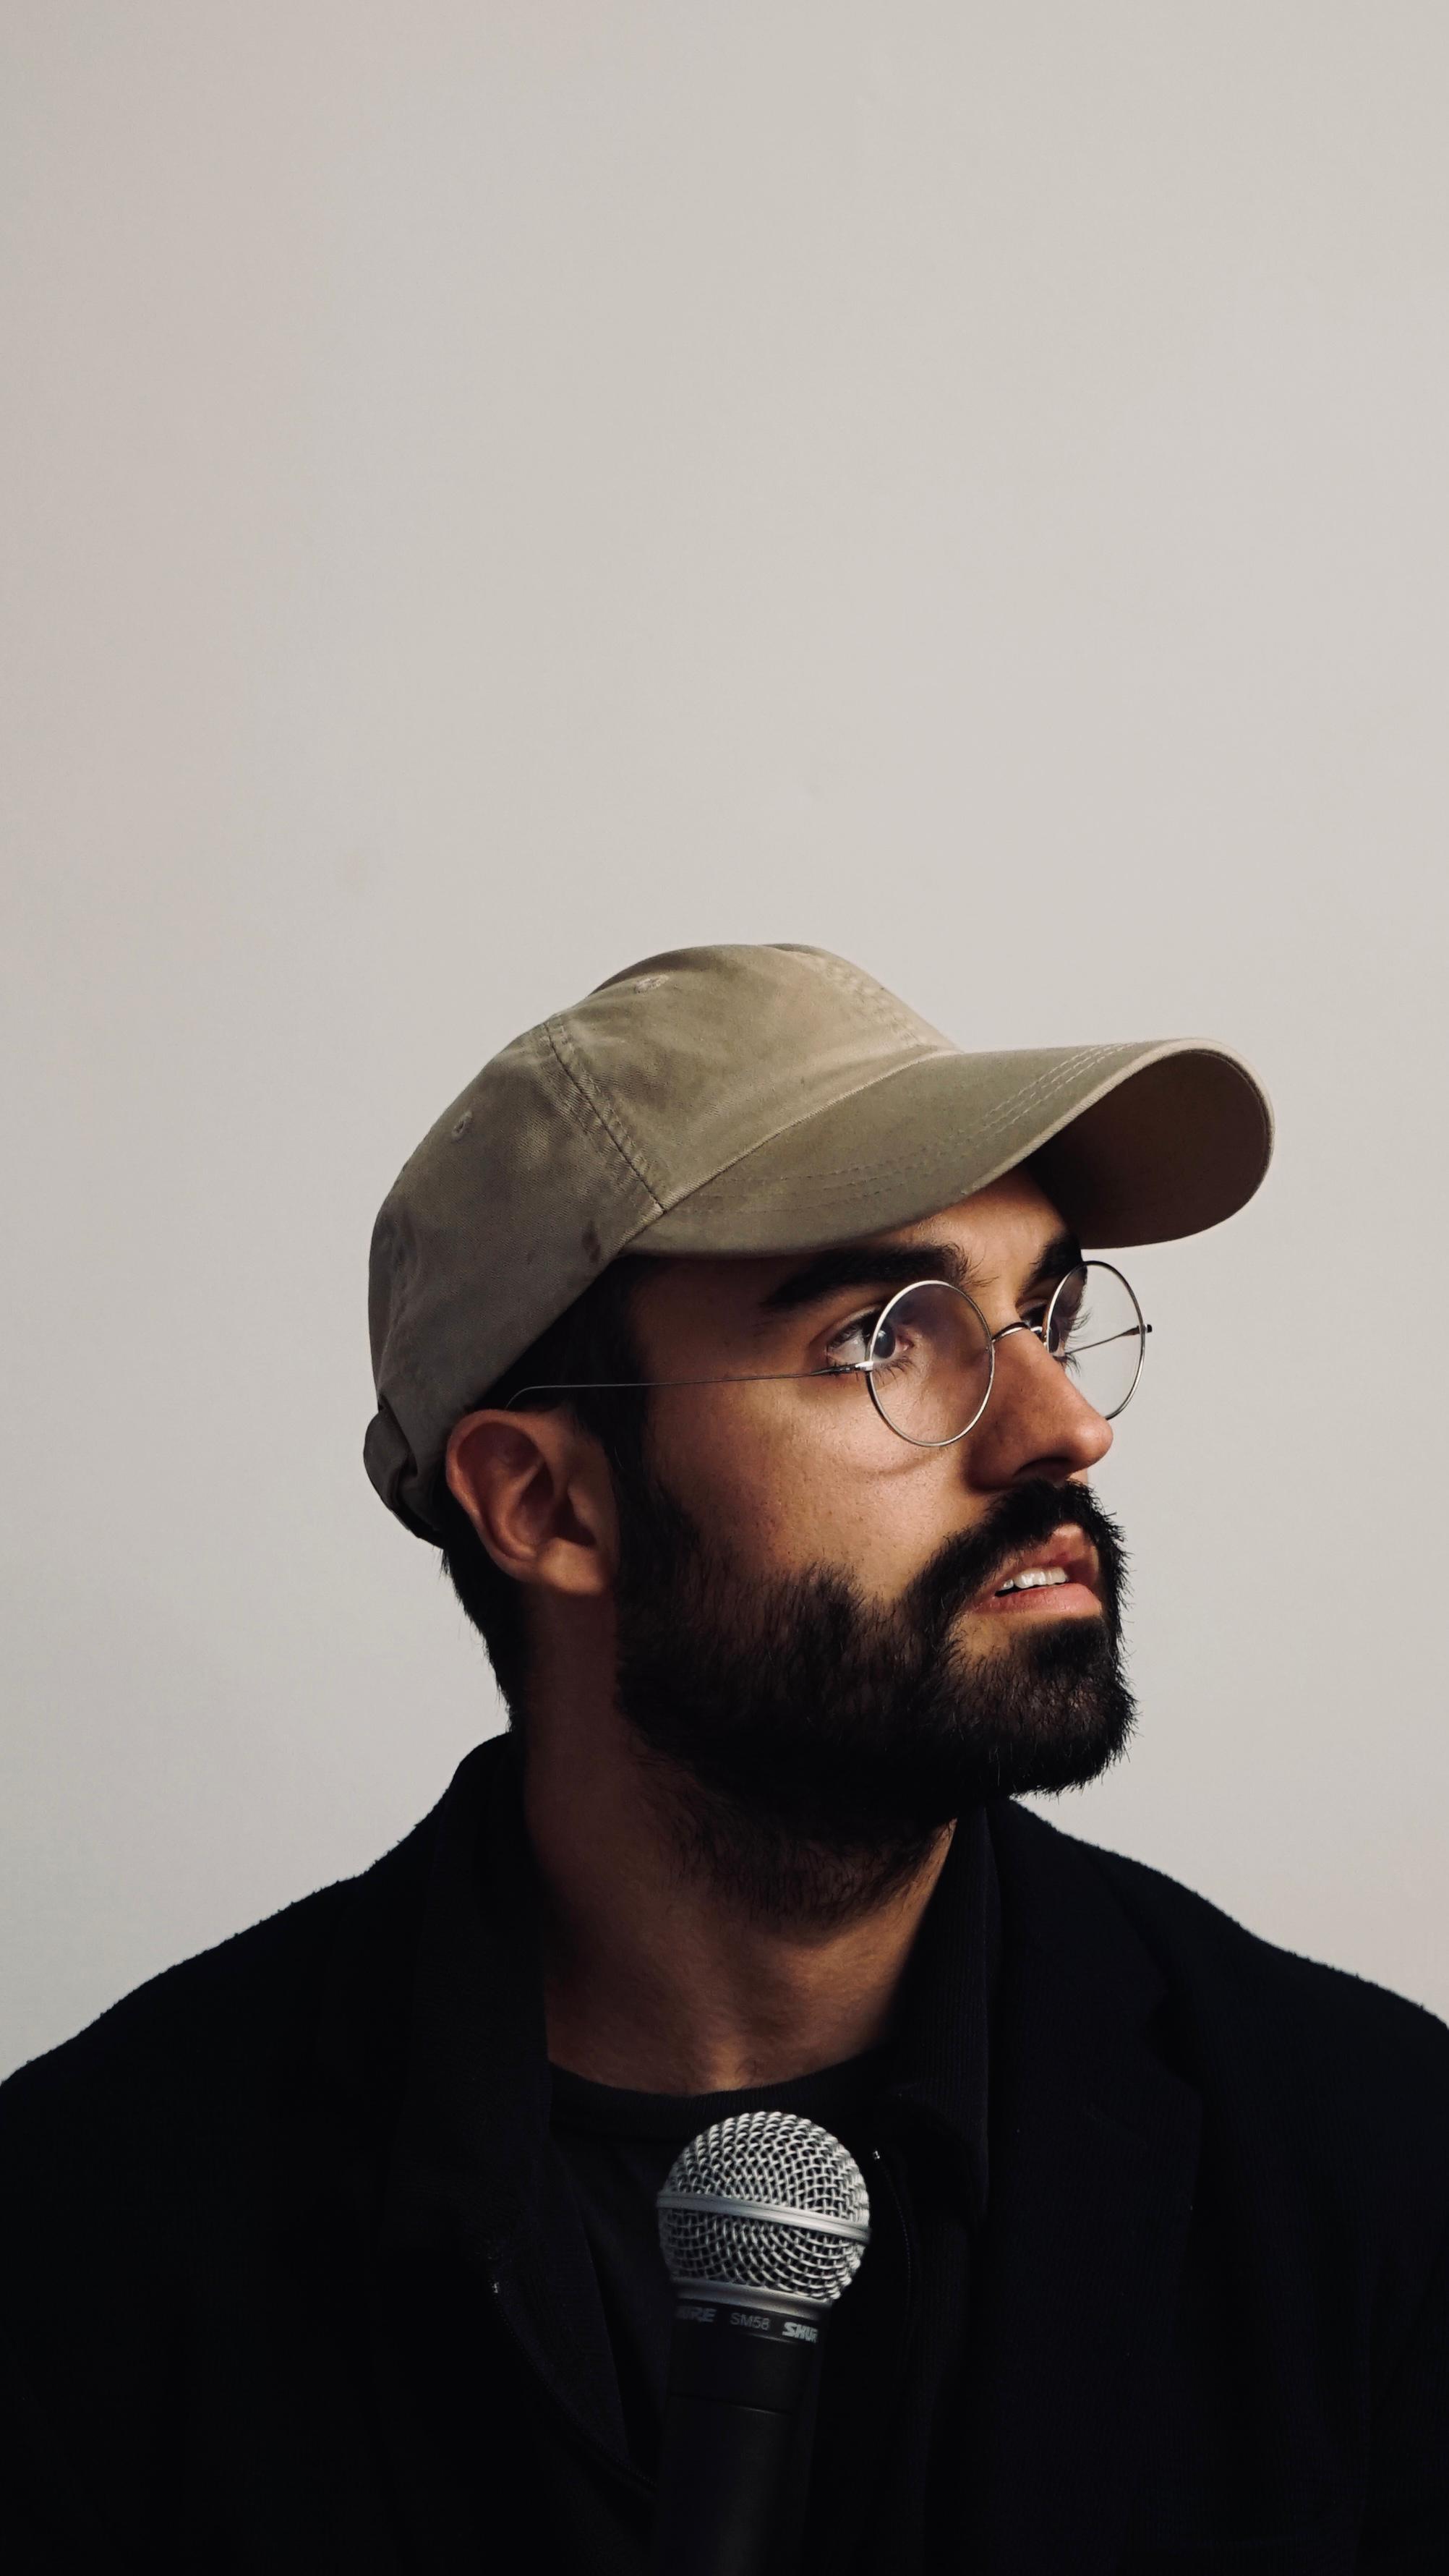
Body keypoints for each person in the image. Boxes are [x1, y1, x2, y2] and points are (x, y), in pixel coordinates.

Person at [3, 942, 1445, 2575]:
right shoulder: (92, 2240)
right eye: (882, 1337)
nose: (1062, 1426)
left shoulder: (1365, 2162)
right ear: (545, 1502)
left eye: (1044, 1312)